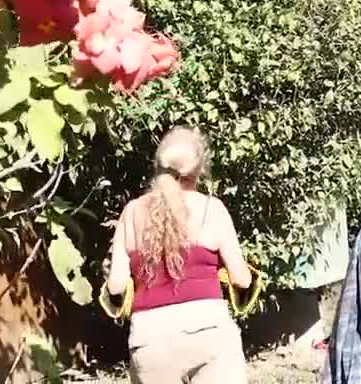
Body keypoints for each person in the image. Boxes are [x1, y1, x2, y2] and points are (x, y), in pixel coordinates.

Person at [107, 127, 253, 384]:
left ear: (159, 165)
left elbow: (116, 286)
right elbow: (241, 280)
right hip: (209, 331)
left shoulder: (131, 212)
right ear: (200, 169)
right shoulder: (212, 209)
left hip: (149, 340)